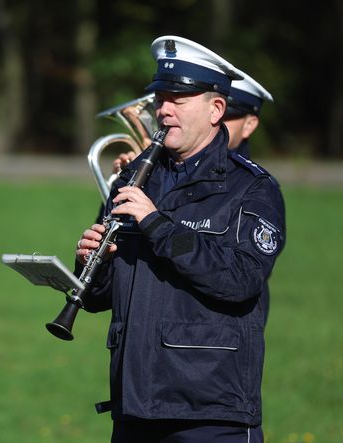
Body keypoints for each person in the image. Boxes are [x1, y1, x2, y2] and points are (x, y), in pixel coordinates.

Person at [75, 36, 286, 442]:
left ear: (216, 109)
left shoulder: (253, 189)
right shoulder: (135, 176)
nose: (163, 110)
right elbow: (101, 297)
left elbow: (240, 279)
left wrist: (157, 224)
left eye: (179, 99)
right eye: (161, 99)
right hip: (135, 404)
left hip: (210, 411)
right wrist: (91, 265)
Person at [111, 70, 273, 173]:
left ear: (249, 125)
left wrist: (153, 220)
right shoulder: (157, 167)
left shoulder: (252, 186)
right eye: (161, 100)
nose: (216, 122)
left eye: (227, 116)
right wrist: (125, 183)